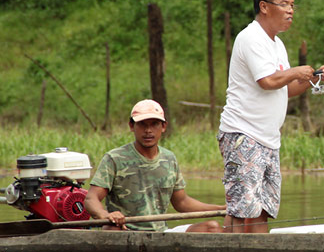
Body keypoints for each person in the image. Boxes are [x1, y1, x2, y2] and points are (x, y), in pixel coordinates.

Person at [218, 0, 324, 233]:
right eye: (284, 4)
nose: (291, 10)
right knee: (241, 208)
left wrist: (314, 77)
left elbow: (287, 88)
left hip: (269, 139)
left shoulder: (277, 43)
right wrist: (297, 71)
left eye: (293, 5)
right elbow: (268, 80)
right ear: (264, 6)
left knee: (263, 209)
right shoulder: (250, 37)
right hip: (243, 134)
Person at [85, 99, 223, 232]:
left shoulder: (169, 159)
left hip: (161, 233)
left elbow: (182, 202)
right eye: (143, 124)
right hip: (125, 231)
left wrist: (221, 209)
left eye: (154, 124)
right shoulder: (114, 158)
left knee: (212, 227)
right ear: (132, 126)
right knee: (111, 228)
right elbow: (91, 199)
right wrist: (106, 215)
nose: (148, 130)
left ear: (163, 127)